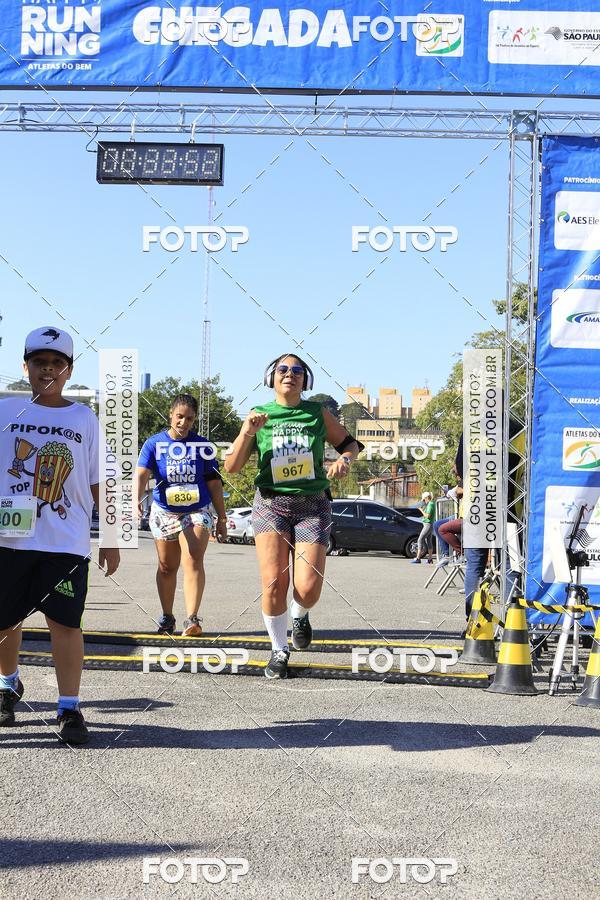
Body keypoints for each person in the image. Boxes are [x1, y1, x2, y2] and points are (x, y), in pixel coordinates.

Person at [0, 326, 120, 743]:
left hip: (64, 542)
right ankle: (7, 685)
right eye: (39, 362)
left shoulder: (83, 417)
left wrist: (110, 535)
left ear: (68, 370)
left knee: (65, 623)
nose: (47, 369)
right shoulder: (5, 412)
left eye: (56, 363)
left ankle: (69, 708)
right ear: (25, 367)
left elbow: (98, 480)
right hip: (9, 538)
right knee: (6, 621)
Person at [224, 353, 362, 679]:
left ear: (305, 380)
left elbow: (350, 444)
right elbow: (231, 466)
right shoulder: (259, 416)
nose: (290, 374)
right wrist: (246, 432)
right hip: (271, 504)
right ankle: (278, 649)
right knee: (273, 583)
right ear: (271, 377)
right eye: (283, 370)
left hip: (312, 505)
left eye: (297, 371)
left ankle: (300, 615)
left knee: (308, 587)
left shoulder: (316, 412)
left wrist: (345, 460)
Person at [136, 394, 227, 636]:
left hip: (197, 509)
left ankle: (192, 618)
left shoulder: (202, 446)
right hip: (164, 510)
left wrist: (222, 517)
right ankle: (167, 617)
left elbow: (214, 483)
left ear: (194, 419)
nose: (183, 422)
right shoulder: (154, 443)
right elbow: (142, 473)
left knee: (194, 556)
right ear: (170, 415)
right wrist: (136, 499)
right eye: (179, 417)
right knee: (167, 566)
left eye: (189, 418)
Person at [411, 491, 436, 564]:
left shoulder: (430, 504)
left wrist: (420, 509)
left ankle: (418, 558)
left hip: (428, 524)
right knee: (428, 541)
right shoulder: (430, 504)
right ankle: (430, 559)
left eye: (424, 499)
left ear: (426, 498)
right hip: (428, 524)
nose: (423, 501)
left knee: (420, 539)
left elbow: (427, 516)